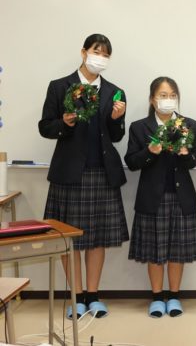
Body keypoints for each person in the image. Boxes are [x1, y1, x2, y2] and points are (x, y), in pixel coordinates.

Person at [39, 33, 128, 319]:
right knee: (69, 237)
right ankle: (76, 297)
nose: (100, 58)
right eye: (96, 51)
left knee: (97, 238)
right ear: (83, 52)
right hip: (69, 173)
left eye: (106, 54)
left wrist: (116, 120)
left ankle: (93, 295)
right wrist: (63, 123)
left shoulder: (115, 92)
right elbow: (45, 127)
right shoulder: (60, 86)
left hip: (102, 172)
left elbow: (116, 136)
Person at [124, 77, 196, 318]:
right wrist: (149, 152)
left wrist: (186, 154)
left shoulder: (190, 125)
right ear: (152, 99)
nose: (168, 99)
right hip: (152, 197)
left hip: (182, 196)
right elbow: (131, 162)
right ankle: (158, 298)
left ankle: (175, 296)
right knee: (155, 252)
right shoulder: (140, 127)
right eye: (163, 95)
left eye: (172, 95)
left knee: (178, 251)